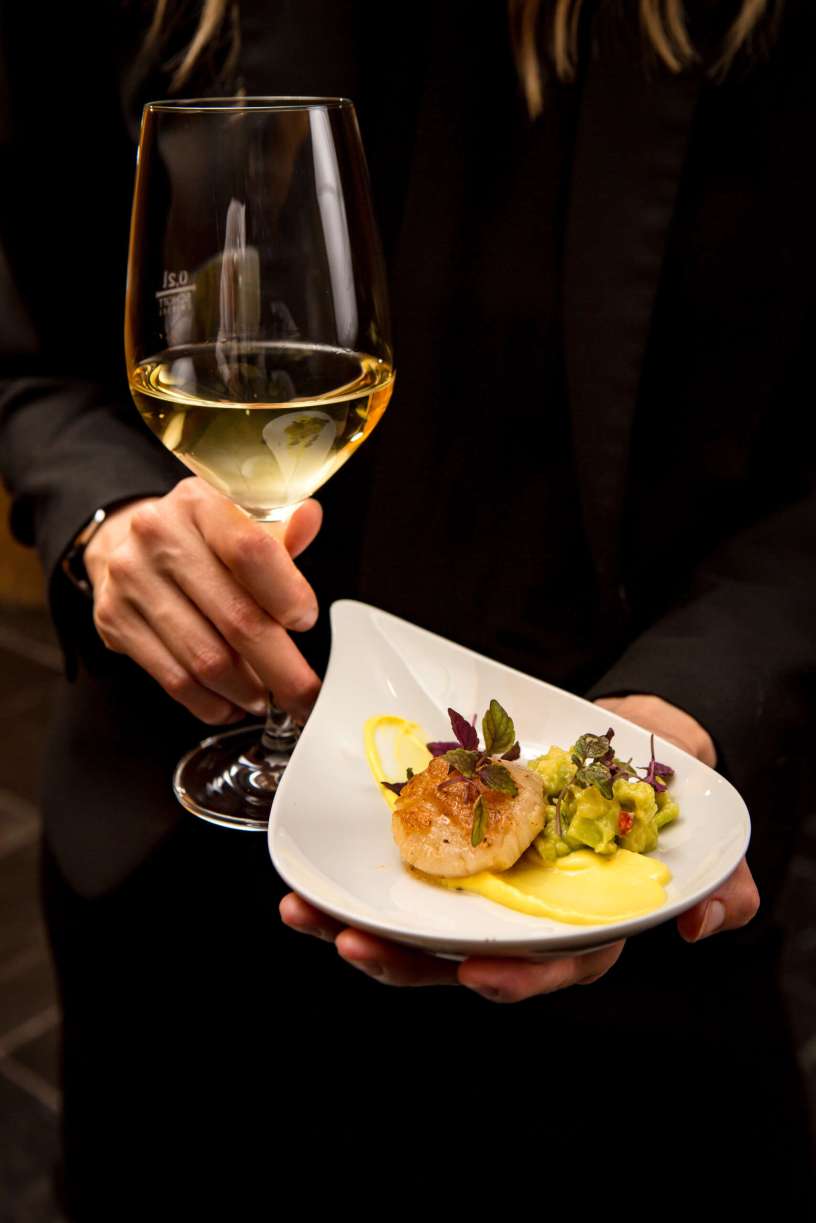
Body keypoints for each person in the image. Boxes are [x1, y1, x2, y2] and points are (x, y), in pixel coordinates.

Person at [1, 0, 813, 1214]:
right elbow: (33, 348)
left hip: (617, 916)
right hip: (187, 913)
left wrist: (691, 710)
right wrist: (108, 520)